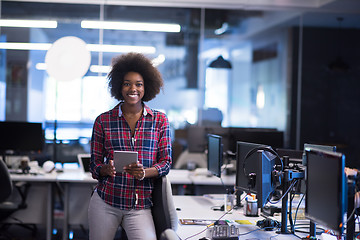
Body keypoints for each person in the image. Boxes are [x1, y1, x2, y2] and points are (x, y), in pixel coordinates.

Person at [88, 52, 172, 240]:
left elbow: (166, 163)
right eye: (127, 83)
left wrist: (145, 172)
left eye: (138, 84)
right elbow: (93, 166)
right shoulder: (103, 121)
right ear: (119, 86)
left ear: (146, 87)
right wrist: (104, 169)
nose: (132, 88)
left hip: (140, 205)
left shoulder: (159, 120)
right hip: (106, 202)